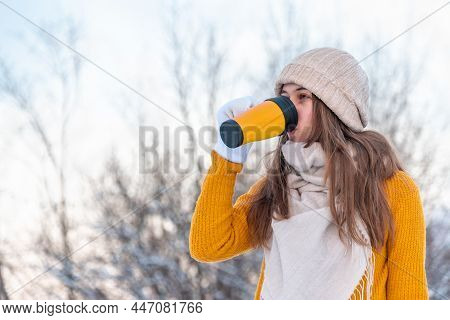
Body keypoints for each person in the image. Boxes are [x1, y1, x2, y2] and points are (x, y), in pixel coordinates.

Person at [189, 47, 429, 300]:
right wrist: (227, 156)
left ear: (334, 110)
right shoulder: (277, 186)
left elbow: (409, 297)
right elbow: (208, 245)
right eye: (284, 97)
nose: (288, 108)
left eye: (302, 97)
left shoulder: (392, 189)